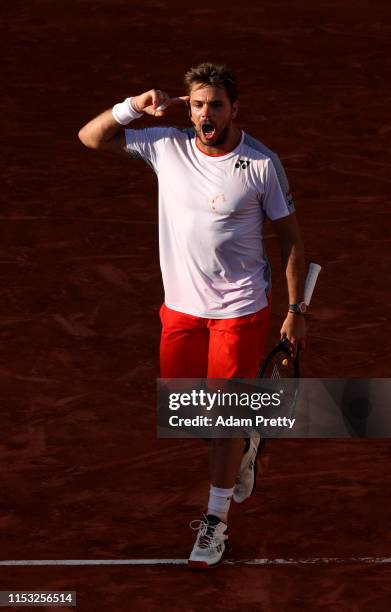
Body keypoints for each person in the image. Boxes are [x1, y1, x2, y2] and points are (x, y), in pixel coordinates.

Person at [78, 62, 306, 569]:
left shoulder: (261, 165)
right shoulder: (166, 145)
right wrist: (134, 106)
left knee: (221, 420)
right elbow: (91, 138)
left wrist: (295, 310)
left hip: (241, 310)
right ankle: (248, 440)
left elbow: (291, 240)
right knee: (189, 416)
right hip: (180, 309)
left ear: (234, 109)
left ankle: (216, 519)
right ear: (189, 106)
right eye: (199, 104)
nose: (207, 114)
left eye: (217, 105)